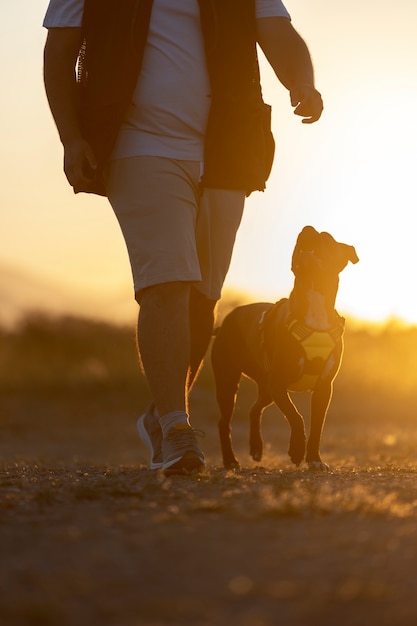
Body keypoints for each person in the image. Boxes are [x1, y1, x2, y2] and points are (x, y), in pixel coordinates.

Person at [43, 0, 323, 475]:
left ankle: (160, 413)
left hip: (227, 148)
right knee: (167, 281)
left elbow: (279, 34)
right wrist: (72, 136)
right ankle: (177, 428)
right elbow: (60, 51)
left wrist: (303, 82)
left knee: (202, 296)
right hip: (137, 145)